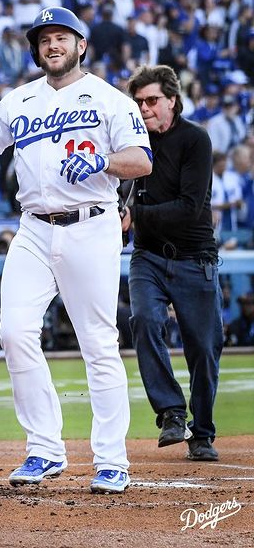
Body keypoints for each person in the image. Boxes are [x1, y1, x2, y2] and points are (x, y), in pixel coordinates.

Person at [0, 6, 152, 494]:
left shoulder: (108, 98)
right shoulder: (20, 100)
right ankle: (44, 448)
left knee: (98, 343)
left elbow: (142, 159)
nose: (52, 44)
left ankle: (111, 459)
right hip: (34, 229)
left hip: (90, 224)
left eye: (62, 36)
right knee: (14, 331)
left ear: (81, 45)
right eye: (44, 39)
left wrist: (103, 160)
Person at [124, 65, 223, 462]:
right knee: (144, 320)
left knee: (203, 348)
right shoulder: (133, 143)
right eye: (138, 102)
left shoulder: (195, 140)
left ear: (172, 101)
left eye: (151, 100)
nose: (144, 108)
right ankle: (170, 412)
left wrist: (135, 215)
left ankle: (202, 433)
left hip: (195, 257)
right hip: (147, 256)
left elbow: (189, 206)